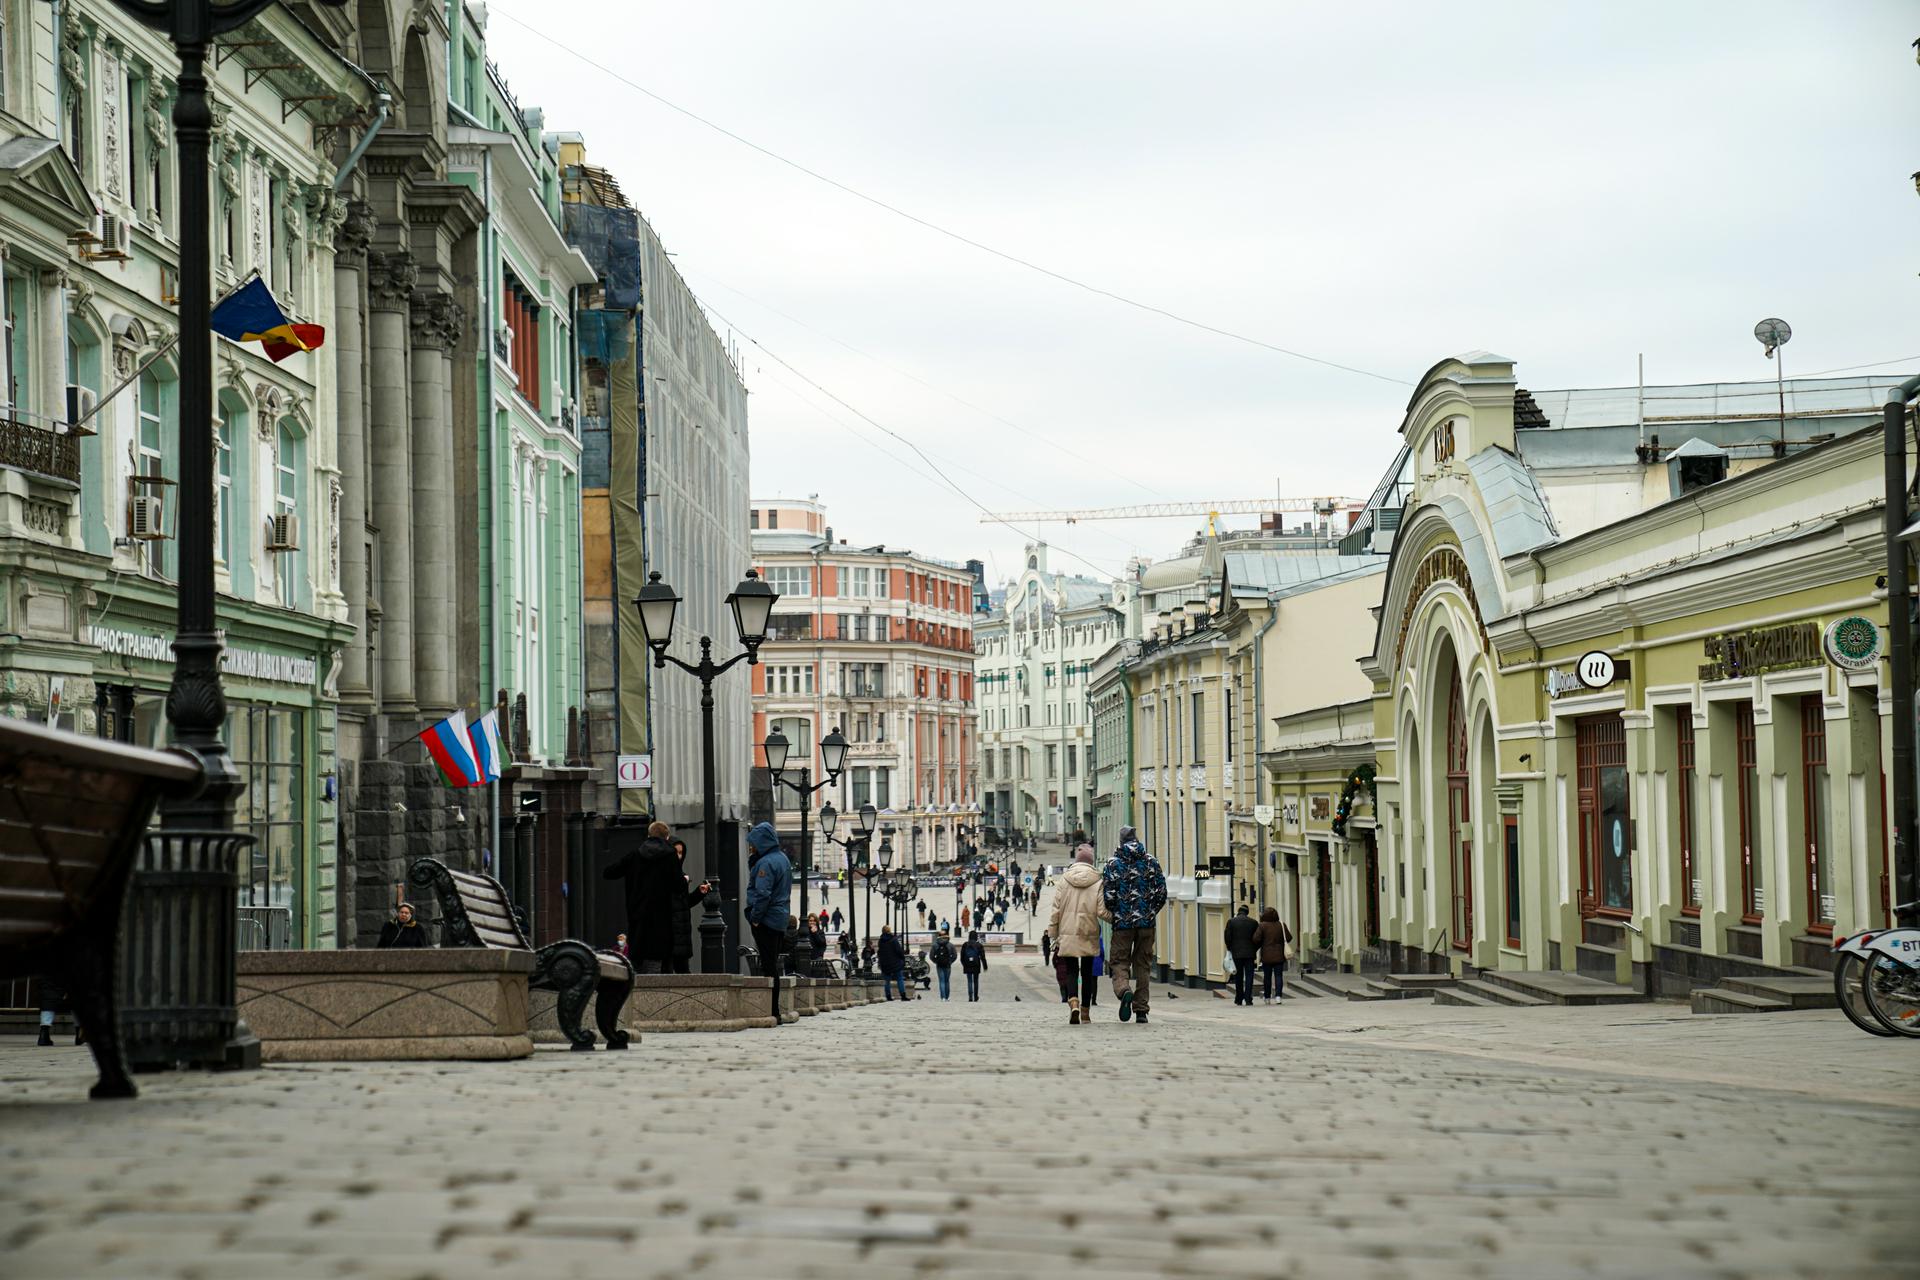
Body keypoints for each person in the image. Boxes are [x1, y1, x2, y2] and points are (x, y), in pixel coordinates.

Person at [1102, 825, 1167, 1025]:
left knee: (1119, 962)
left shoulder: (1113, 864)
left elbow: (1108, 896)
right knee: (1143, 965)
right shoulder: (1150, 861)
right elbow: (1161, 892)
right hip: (1146, 923)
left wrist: (1118, 913)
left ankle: (1124, 991)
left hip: (1123, 924)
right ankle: (1141, 1011)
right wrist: (1150, 912)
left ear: (1121, 842)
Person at [602, 821, 689, 973]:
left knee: (639, 961)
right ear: (667, 837)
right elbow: (679, 886)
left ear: (648, 836)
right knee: (659, 962)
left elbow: (609, 872)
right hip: (662, 918)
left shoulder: (635, 855)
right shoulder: (670, 856)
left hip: (638, 915)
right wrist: (685, 880)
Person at [1047, 844, 1108, 1024]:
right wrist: (1117, 918)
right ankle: (1085, 1012)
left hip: (1068, 930)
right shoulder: (1098, 881)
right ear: (1091, 862)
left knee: (1072, 970)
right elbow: (1102, 911)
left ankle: (1073, 1002)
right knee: (1088, 972)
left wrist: (1052, 932)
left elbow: (1056, 909)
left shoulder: (1064, 880)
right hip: (1088, 930)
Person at [744, 823, 793, 1015]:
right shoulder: (783, 859)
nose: (751, 847)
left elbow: (762, 893)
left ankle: (772, 1010)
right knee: (772, 964)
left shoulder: (766, 863)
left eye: (753, 844)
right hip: (780, 919)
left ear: (761, 842)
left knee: (768, 966)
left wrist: (755, 918)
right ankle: (774, 1009)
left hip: (767, 920)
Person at [666, 838, 714, 975]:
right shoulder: (667, 875)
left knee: (683, 974)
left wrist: (699, 892)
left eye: (681, 853)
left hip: (681, 934)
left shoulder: (681, 875)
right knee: (669, 975)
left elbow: (684, 903)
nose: (679, 856)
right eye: (675, 852)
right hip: (671, 933)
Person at [1253, 906, 1294, 1003]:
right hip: (1279, 955)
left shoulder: (1262, 925)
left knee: (1267, 977)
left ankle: (1267, 997)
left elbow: (1256, 939)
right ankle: (1278, 996)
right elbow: (1289, 938)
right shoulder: (1281, 925)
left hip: (1266, 955)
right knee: (1278, 976)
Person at [1224, 904, 1260, 1005]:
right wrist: (1254, 949)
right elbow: (1258, 939)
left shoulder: (1231, 922)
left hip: (1236, 954)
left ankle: (1239, 998)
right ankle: (1248, 998)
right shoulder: (1253, 923)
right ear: (1247, 912)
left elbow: (1227, 937)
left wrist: (1230, 948)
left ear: (1238, 912)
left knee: (1238, 976)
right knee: (1249, 976)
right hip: (1250, 954)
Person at [877, 925, 908, 1001]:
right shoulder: (893, 939)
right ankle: (903, 995)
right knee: (899, 978)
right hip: (895, 963)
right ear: (889, 931)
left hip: (885, 963)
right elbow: (899, 951)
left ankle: (888, 996)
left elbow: (880, 952)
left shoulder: (880, 941)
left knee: (887, 981)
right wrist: (902, 958)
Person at [959, 930, 989, 1001]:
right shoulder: (979, 945)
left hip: (967, 965)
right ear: (976, 937)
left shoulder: (965, 944)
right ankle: (975, 996)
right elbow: (982, 957)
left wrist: (964, 964)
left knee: (969, 981)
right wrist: (985, 966)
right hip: (976, 965)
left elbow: (962, 957)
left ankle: (970, 996)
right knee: (976, 981)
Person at [928, 928, 957, 999]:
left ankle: (943, 997)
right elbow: (955, 955)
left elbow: (931, 956)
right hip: (947, 964)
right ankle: (947, 996)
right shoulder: (950, 945)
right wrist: (950, 961)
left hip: (939, 965)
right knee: (947, 981)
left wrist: (936, 961)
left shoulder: (935, 945)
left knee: (941, 981)